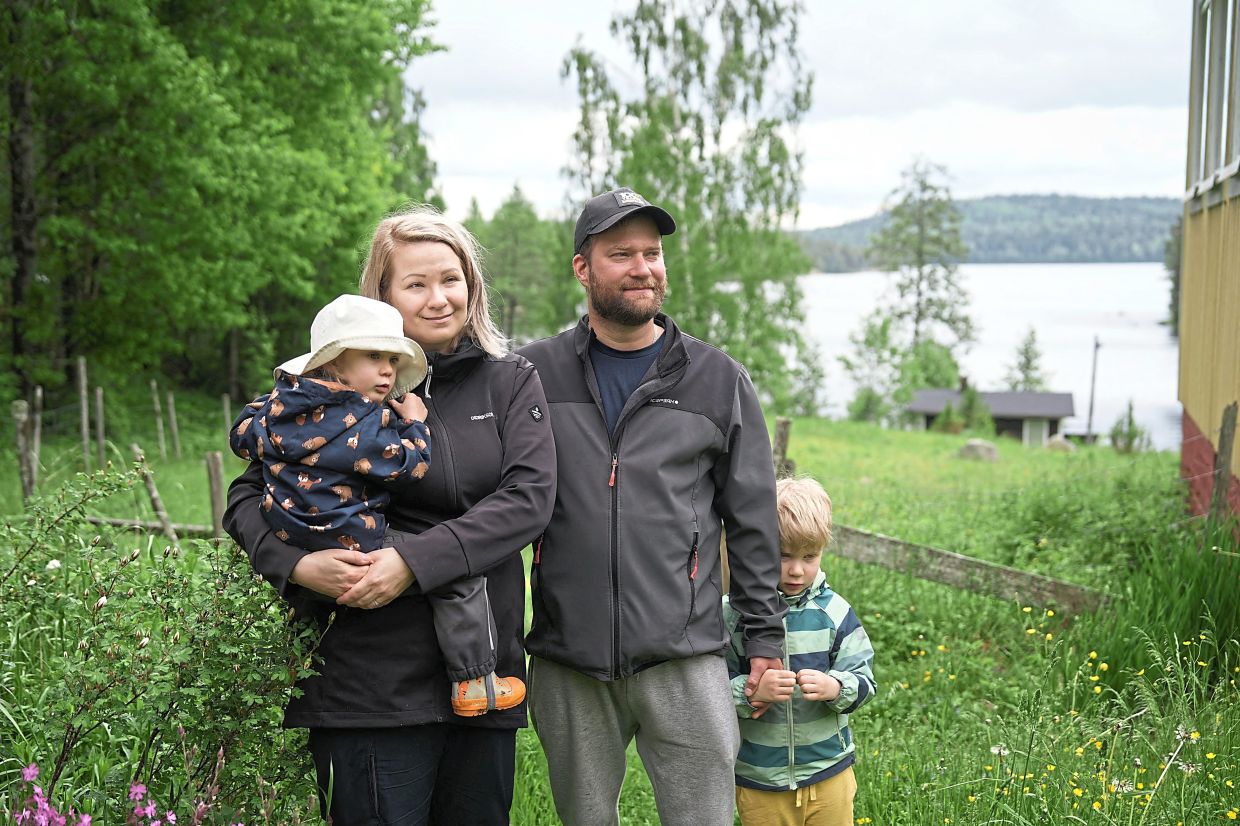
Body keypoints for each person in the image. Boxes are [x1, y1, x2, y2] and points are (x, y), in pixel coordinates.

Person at [223, 208, 556, 826]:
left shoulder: (509, 382)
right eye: (416, 284)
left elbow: (527, 501)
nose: (439, 299)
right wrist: (296, 566)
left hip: (481, 677)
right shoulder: (326, 395)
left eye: (451, 279)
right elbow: (245, 499)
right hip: (364, 676)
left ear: (472, 286)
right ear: (378, 298)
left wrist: (412, 561)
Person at [517, 186, 788, 826]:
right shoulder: (532, 375)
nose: (643, 268)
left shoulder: (717, 379)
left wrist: (764, 641)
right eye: (621, 254)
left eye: (652, 253)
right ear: (583, 268)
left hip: (686, 655)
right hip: (568, 657)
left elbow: (752, 521)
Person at [228, 293, 525, 717]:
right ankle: (474, 679)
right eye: (373, 356)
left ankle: (293, 667)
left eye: (392, 360)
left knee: (315, 607)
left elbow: (243, 438)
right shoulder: (362, 419)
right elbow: (408, 466)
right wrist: (416, 424)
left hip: (288, 530)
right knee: (458, 577)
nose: (388, 370)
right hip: (349, 531)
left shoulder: (274, 409)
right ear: (333, 364)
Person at [726, 477, 876, 826]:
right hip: (760, 779)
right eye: (783, 556)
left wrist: (836, 688)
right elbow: (708, 689)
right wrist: (749, 692)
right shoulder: (732, 615)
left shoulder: (835, 613)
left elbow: (865, 679)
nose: (796, 569)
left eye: (810, 557)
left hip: (828, 774)